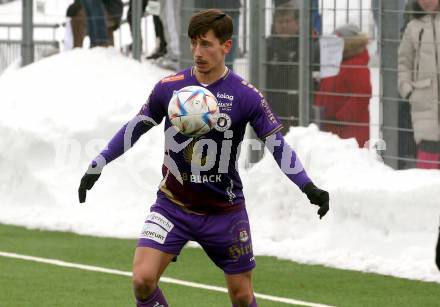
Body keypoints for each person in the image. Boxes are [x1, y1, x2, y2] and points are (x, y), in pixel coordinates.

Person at [78, 9, 329, 307]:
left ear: (226, 46)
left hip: (224, 212)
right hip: (172, 205)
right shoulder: (169, 87)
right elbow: (135, 127)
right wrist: (100, 161)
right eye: (194, 43)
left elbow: (277, 144)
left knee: (241, 296)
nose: (198, 52)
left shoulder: (245, 95)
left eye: (207, 44)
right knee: (142, 281)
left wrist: (307, 186)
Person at [398, 0, 440, 169]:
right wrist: (408, 91)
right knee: (427, 168)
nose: (426, 1)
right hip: (424, 103)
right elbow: (403, 63)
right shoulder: (413, 27)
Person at [314, 24, 372, 148]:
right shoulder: (334, 64)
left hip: (350, 131)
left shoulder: (355, 65)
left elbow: (361, 96)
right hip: (331, 125)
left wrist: (339, 119)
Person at [266, 5, 300, 133]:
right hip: (274, 106)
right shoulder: (267, 46)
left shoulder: (308, 45)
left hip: (300, 106)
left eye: (287, 21)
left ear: (297, 23)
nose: (283, 25)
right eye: (280, 22)